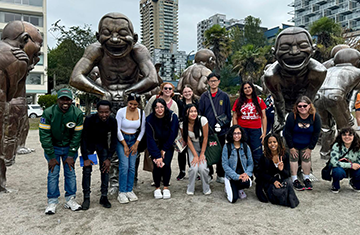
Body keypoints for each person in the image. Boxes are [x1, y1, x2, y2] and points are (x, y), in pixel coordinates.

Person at [39, 88, 83, 215]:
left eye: (68, 99)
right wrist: (51, 156)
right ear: (57, 100)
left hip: (70, 148)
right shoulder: (48, 113)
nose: (65, 102)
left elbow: (77, 135)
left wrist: (71, 154)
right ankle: (52, 201)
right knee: (53, 174)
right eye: (62, 99)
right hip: (54, 148)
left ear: (71, 100)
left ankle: (70, 199)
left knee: (70, 173)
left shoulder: (78, 113)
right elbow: (44, 135)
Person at [81, 100, 117, 210]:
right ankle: (86, 198)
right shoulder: (89, 119)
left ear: (110, 111)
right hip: (89, 146)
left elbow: (114, 140)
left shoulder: (112, 120)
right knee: (87, 171)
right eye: (101, 112)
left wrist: (109, 158)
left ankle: (104, 196)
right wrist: (85, 157)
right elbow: (83, 139)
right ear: (97, 111)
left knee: (105, 170)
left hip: (103, 146)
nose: (104, 115)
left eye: (106, 112)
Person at [199, 73, 231, 184]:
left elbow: (228, 115)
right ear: (208, 82)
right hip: (207, 131)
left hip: (221, 131)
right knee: (208, 152)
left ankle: (220, 174)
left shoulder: (224, 96)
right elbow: (200, 113)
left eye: (215, 80)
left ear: (219, 81)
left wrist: (223, 125)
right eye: (211, 81)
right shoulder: (204, 96)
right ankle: (209, 173)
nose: (213, 83)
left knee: (221, 152)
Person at [284, 96, 321, 191]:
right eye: (299, 106)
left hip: (306, 143)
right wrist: (291, 147)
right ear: (296, 107)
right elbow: (287, 132)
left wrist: (310, 148)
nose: (302, 108)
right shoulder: (292, 116)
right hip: (293, 142)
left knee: (306, 159)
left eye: (305, 106)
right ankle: (294, 179)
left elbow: (316, 133)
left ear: (309, 106)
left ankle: (306, 178)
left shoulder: (315, 117)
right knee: (293, 158)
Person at [146, 98, 179, 199]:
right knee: (157, 164)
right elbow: (149, 138)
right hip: (154, 145)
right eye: (156, 107)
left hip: (167, 144)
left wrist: (164, 149)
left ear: (165, 107)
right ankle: (157, 188)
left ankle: (165, 187)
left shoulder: (172, 117)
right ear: (153, 108)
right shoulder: (149, 119)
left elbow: (173, 134)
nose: (159, 109)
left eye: (161, 107)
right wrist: (157, 154)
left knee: (166, 164)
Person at [116, 94, 145, 203]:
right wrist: (124, 145)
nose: (133, 106)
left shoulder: (141, 113)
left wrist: (137, 143)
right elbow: (117, 129)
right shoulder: (121, 112)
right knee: (124, 165)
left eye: (135, 104)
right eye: (130, 104)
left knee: (132, 166)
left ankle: (129, 189)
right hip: (122, 138)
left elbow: (142, 129)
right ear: (127, 103)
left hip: (134, 139)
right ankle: (122, 191)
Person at [256, 134, 299, 208]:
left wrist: (281, 170)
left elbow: (287, 174)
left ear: (278, 143)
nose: (272, 144)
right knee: (272, 195)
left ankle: (289, 199)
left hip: (280, 178)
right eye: (270, 142)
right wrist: (274, 181)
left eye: (274, 142)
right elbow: (260, 173)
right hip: (268, 180)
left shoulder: (285, 155)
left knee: (289, 182)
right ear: (267, 144)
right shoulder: (264, 157)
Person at [232, 82, 267, 172]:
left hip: (255, 130)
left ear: (252, 88)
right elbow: (235, 117)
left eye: (249, 87)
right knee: (243, 152)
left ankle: (259, 174)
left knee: (257, 153)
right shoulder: (239, 101)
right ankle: (245, 174)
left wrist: (264, 133)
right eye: (245, 88)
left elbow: (264, 117)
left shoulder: (259, 101)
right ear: (242, 90)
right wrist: (235, 130)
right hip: (242, 130)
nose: (247, 89)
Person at [181, 104, 211, 195]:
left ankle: (206, 187)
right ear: (186, 113)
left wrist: (201, 154)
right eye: (191, 112)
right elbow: (188, 140)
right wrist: (195, 155)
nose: (193, 113)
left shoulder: (202, 120)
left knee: (202, 168)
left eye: (195, 111)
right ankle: (190, 187)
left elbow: (205, 137)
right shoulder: (183, 124)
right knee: (193, 167)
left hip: (203, 146)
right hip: (192, 147)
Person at [222, 125, 253, 203]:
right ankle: (229, 187)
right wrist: (236, 176)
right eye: (234, 133)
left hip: (243, 175)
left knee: (248, 183)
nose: (236, 135)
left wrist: (246, 174)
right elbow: (225, 165)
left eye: (239, 133)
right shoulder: (226, 147)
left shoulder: (246, 147)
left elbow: (250, 163)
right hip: (231, 176)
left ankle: (238, 188)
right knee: (233, 199)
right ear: (231, 135)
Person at [176, 85, 199, 181]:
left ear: (192, 92)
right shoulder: (179, 103)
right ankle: (182, 171)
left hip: (194, 128)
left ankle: (193, 170)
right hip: (182, 128)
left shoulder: (197, 103)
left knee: (193, 149)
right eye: (185, 92)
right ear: (182, 94)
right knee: (181, 151)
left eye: (189, 91)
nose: (187, 93)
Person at [330, 127, 360, 193]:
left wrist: (357, 165)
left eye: (350, 135)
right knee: (337, 171)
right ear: (340, 136)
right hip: (341, 168)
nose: (347, 137)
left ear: (354, 136)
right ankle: (335, 185)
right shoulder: (336, 146)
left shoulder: (358, 146)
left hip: (354, 169)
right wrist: (351, 165)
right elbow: (333, 162)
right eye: (344, 135)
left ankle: (355, 183)